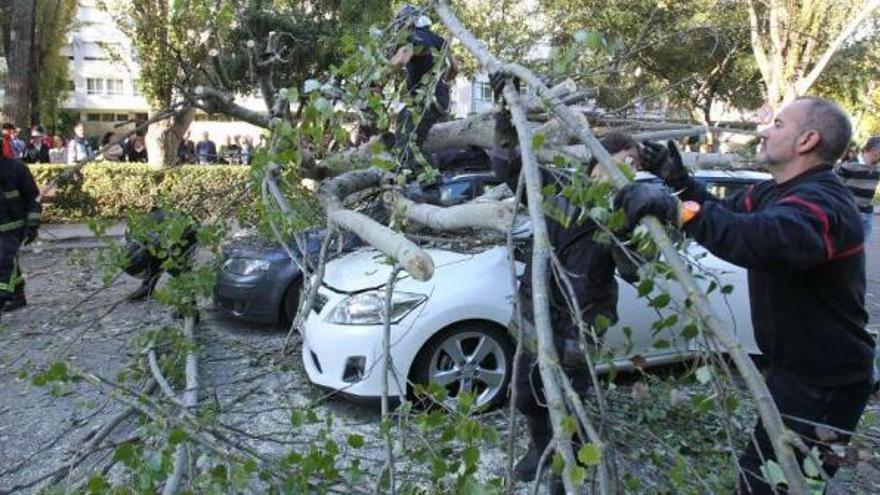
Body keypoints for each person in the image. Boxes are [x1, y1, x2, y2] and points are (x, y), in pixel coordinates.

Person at [615, 96, 876, 493]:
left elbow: (764, 241)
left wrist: (677, 211)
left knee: (772, 485)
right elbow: (727, 214)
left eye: (779, 125)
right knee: (764, 478)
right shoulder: (777, 193)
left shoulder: (824, 203)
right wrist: (680, 182)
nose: (765, 130)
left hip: (827, 383)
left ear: (806, 140)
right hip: (796, 371)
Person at [489, 73, 639, 491]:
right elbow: (508, 164)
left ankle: (563, 471)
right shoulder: (559, 190)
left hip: (582, 324)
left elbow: (634, 269)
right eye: (623, 160)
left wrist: (640, 220)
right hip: (536, 313)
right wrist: (505, 112)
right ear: (597, 161)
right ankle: (540, 449)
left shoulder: (627, 215)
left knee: (569, 404)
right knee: (526, 394)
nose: (628, 170)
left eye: (636, 166)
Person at [389, 4, 458, 171]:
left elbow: (400, 61)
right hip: (441, 99)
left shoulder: (412, 38)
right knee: (416, 139)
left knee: (407, 141)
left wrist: (379, 74)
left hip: (424, 100)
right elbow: (455, 68)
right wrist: (444, 83)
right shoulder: (439, 40)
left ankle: (430, 182)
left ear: (407, 22)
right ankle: (412, 176)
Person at [122, 209, 199, 301]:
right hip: (166, 228)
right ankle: (148, 288)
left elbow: (170, 265)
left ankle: (188, 301)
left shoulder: (153, 243)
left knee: (174, 264)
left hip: (188, 228)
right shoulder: (130, 234)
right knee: (156, 256)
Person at [0, 153, 42, 315]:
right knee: (7, 260)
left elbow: (33, 197)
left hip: (13, 227)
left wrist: (33, 224)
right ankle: (17, 295)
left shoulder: (16, 168)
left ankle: (3, 295)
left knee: (3, 261)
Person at [835, 136, 880, 239]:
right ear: (874, 151)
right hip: (848, 214)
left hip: (866, 216)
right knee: (843, 250)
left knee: (859, 251)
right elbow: (833, 186)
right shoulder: (849, 165)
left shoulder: (878, 168)